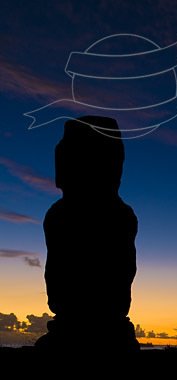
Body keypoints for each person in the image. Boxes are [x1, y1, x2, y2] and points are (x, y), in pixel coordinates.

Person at [34, 116, 140, 352]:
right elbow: (58, 277)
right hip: (76, 330)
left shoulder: (119, 217)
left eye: (67, 155)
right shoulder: (58, 215)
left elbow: (117, 277)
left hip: (102, 332)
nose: (59, 165)